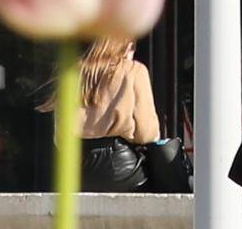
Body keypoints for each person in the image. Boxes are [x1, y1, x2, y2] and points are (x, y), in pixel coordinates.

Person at [77, 34, 180, 195]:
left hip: (78, 169)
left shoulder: (76, 72)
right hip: (120, 164)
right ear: (126, 45)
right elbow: (148, 134)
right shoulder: (134, 70)